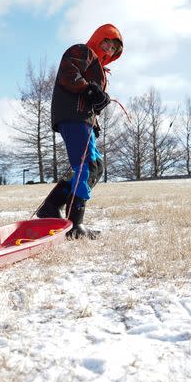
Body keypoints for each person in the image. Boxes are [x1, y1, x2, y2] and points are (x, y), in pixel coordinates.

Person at [36, 24, 123, 239]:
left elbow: (91, 99)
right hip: (73, 115)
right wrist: (89, 89)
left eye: (114, 48)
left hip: (84, 119)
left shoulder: (101, 70)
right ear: (97, 38)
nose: (109, 49)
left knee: (96, 166)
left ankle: (51, 206)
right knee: (85, 165)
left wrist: (97, 110)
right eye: (107, 43)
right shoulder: (82, 51)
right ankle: (75, 224)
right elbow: (69, 72)